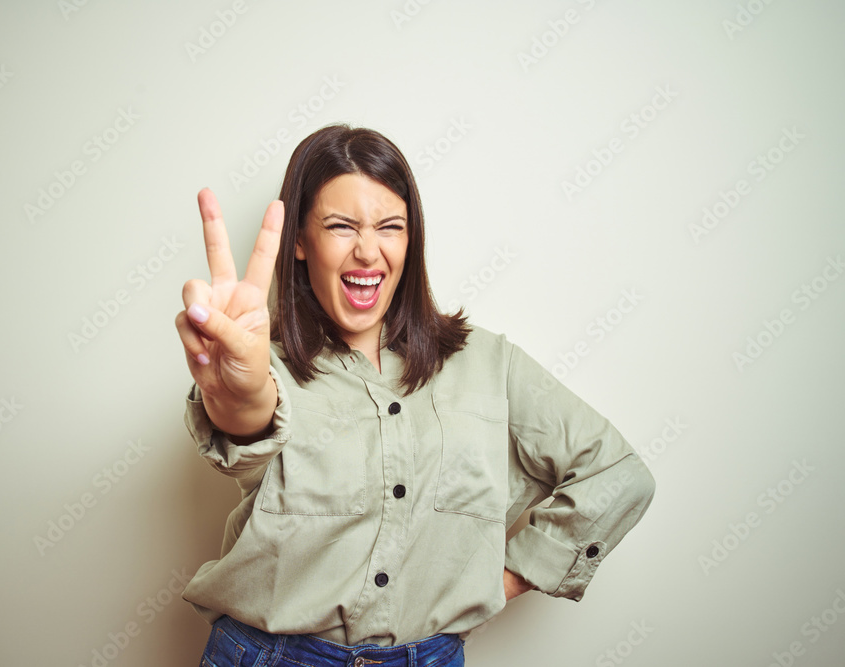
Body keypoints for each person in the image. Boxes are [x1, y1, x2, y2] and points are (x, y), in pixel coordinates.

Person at [176, 124, 655, 667]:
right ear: (301, 242)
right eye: (340, 226)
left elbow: (617, 475)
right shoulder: (264, 368)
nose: (367, 251)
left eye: (390, 227)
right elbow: (247, 418)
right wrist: (239, 392)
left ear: (411, 239)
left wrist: (504, 578)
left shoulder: (489, 363)